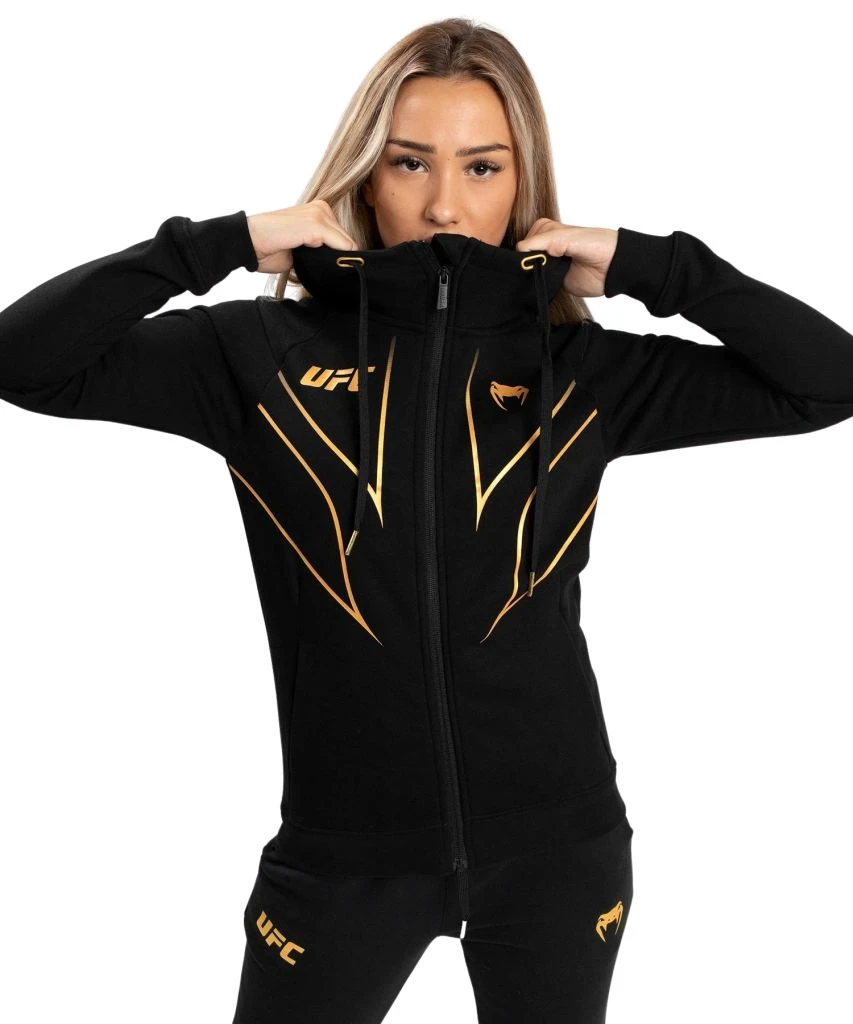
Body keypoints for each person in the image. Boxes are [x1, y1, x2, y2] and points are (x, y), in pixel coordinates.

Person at [2, 17, 852, 1024]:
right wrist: (219, 244)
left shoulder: (579, 371)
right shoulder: (255, 359)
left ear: (522, 184)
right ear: (365, 175)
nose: (445, 202)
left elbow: (825, 382)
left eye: (482, 166)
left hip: (559, 850)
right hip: (342, 858)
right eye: (410, 162)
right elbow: (26, 360)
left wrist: (649, 266)